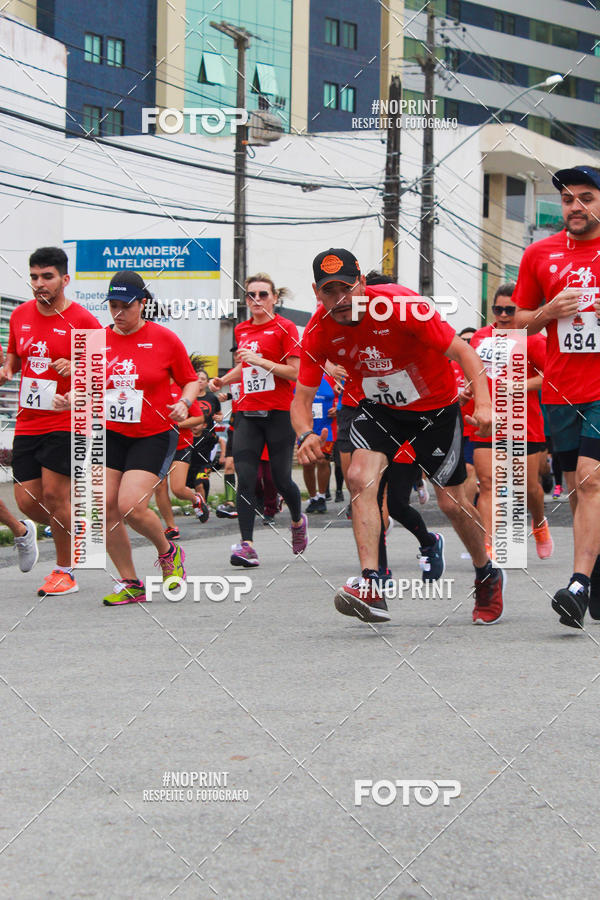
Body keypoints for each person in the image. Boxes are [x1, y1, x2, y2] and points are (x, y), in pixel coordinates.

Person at [292, 248, 504, 624]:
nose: (339, 300)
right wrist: (305, 432)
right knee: (359, 477)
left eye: (346, 288)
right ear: (316, 292)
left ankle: (486, 571)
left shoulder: (401, 305)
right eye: (328, 291)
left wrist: (484, 403)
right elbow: (302, 398)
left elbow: (463, 352)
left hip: (434, 409)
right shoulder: (317, 330)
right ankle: (372, 583)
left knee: (452, 504)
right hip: (380, 409)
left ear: (361, 283)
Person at [55, 270, 198, 605]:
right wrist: (69, 399)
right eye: (113, 305)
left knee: (130, 506)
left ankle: (168, 552)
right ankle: (130, 582)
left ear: (142, 304)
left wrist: (184, 402)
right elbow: (84, 389)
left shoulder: (165, 339)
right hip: (111, 434)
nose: (118, 313)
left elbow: (190, 380)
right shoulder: (95, 342)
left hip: (153, 434)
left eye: (126, 306)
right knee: (100, 507)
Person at [513, 164, 600, 628]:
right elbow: (520, 318)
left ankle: (578, 585)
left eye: (585, 197)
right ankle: (595, 567)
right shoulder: (539, 254)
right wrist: (547, 311)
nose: (576, 207)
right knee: (575, 486)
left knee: (589, 481)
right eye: (568, 199)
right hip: (561, 389)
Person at [0, 246, 101, 595]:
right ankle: (70, 526)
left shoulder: (85, 321)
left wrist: (77, 370)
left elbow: (101, 375)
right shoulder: (20, 316)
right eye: (34, 277)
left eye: (47, 277)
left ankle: (65, 570)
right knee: (28, 501)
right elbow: (15, 360)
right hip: (29, 420)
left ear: (64, 279)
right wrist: (5, 370)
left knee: (56, 495)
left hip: (68, 419)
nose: (39, 283)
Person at [209, 272, 307, 566]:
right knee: (246, 479)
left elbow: (295, 372)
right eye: (251, 295)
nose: (256, 300)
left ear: (275, 298)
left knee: (281, 479)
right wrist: (223, 380)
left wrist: (260, 361)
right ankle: (246, 545)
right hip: (247, 413)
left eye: (263, 294)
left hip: (278, 413)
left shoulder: (286, 328)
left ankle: (296, 520)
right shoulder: (242, 330)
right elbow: (245, 368)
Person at [469, 283, 552, 560]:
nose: (503, 315)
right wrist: (467, 390)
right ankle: (489, 545)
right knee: (488, 481)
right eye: (498, 309)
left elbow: (551, 376)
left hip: (522, 423)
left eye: (510, 309)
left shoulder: (533, 338)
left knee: (528, 488)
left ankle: (539, 523)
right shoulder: (480, 337)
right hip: (487, 423)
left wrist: (519, 386)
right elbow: (474, 373)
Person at [154, 382, 205, 541]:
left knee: (177, 488)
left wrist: (175, 424)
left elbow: (199, 418)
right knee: (160, 486)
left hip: (181, 444)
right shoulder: (152, 387)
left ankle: (195, 499)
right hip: (157, 445)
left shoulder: (182, 389)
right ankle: (171, 527)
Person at [303, 373, 337, 514]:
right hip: (306, 427)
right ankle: (313, 497)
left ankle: (322, 497)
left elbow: (345, 394)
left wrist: (338, 408)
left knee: (322, 460)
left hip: (326, 426)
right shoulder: (302, 374)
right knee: (308, 462)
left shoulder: (332, 376)